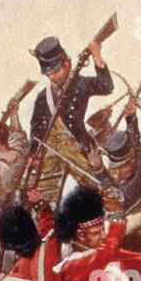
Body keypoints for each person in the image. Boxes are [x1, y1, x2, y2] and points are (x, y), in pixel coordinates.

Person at [27, 35, 114, 200]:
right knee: (44, 195)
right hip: (50, 152)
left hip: (77, 146)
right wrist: (33, 154)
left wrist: (96, 56)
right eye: (49, 73)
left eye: (57, 70)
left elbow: (106, 87)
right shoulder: (42, 97)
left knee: (96, 188)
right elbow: (36, 130)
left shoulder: (81, 84)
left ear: (67, 64)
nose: (54, 76)